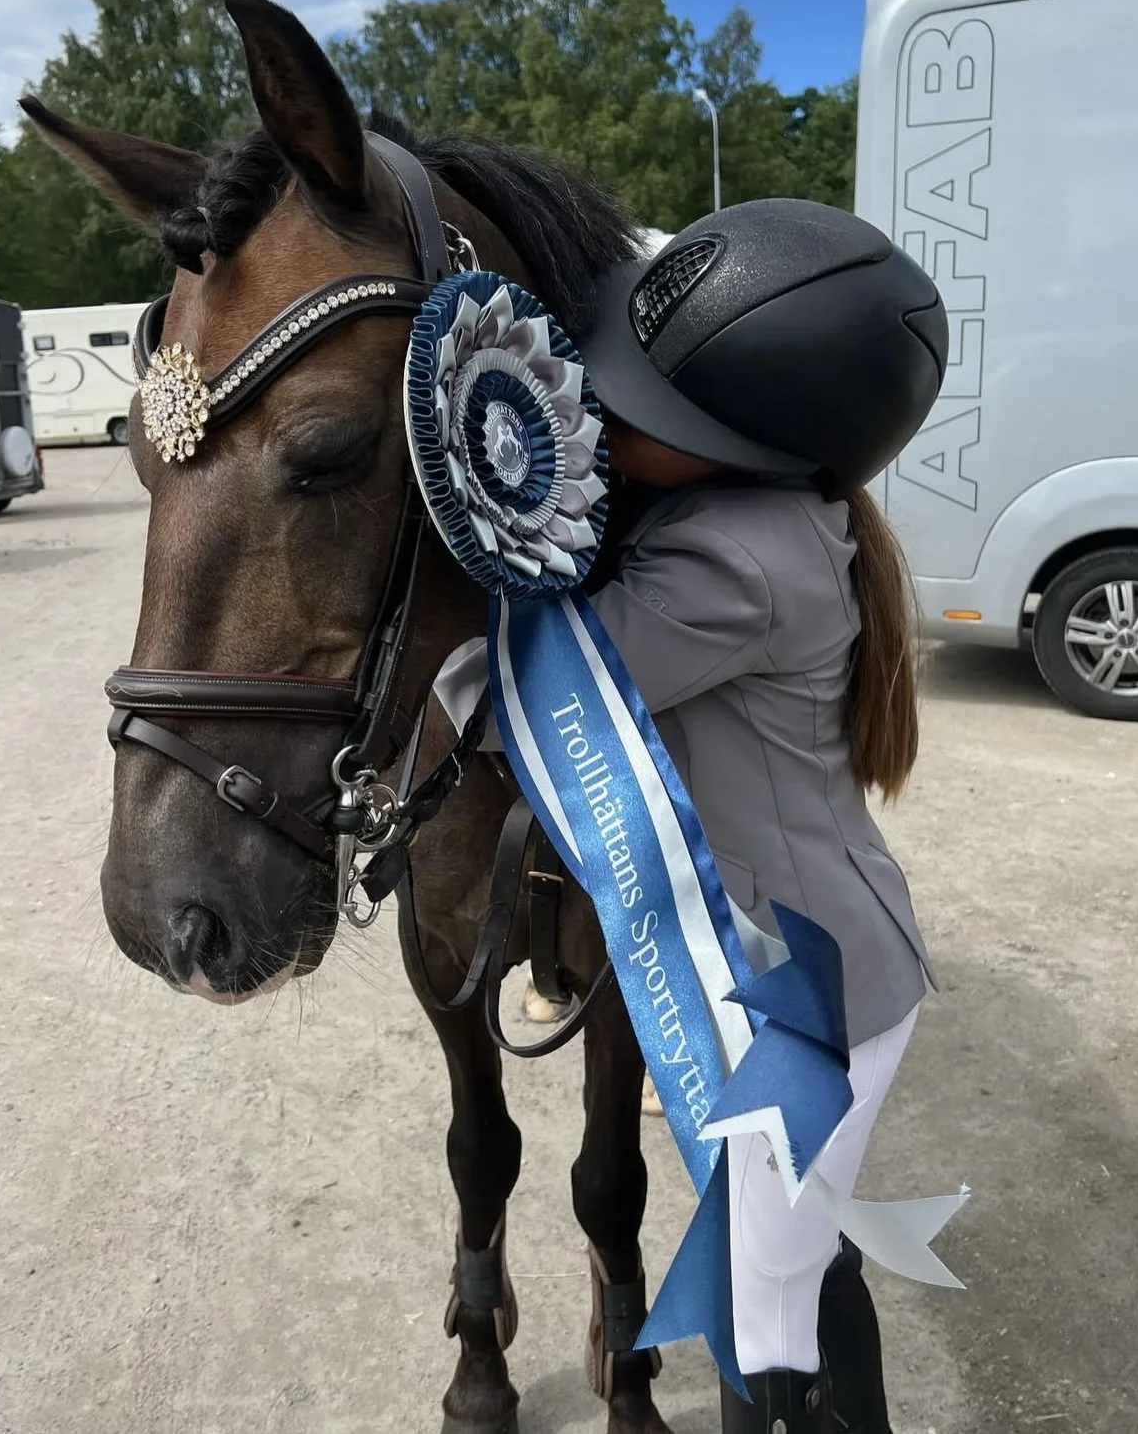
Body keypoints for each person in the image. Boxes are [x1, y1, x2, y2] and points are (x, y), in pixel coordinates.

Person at [435, 197, 949, 1432]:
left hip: (805, 1001)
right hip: (821, 973)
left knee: (765, 1320)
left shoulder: (731, 564)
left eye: (628, 411)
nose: (594, 423)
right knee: (800, 1268)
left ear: (737, 439)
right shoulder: (765, 517)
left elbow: (514, 705)